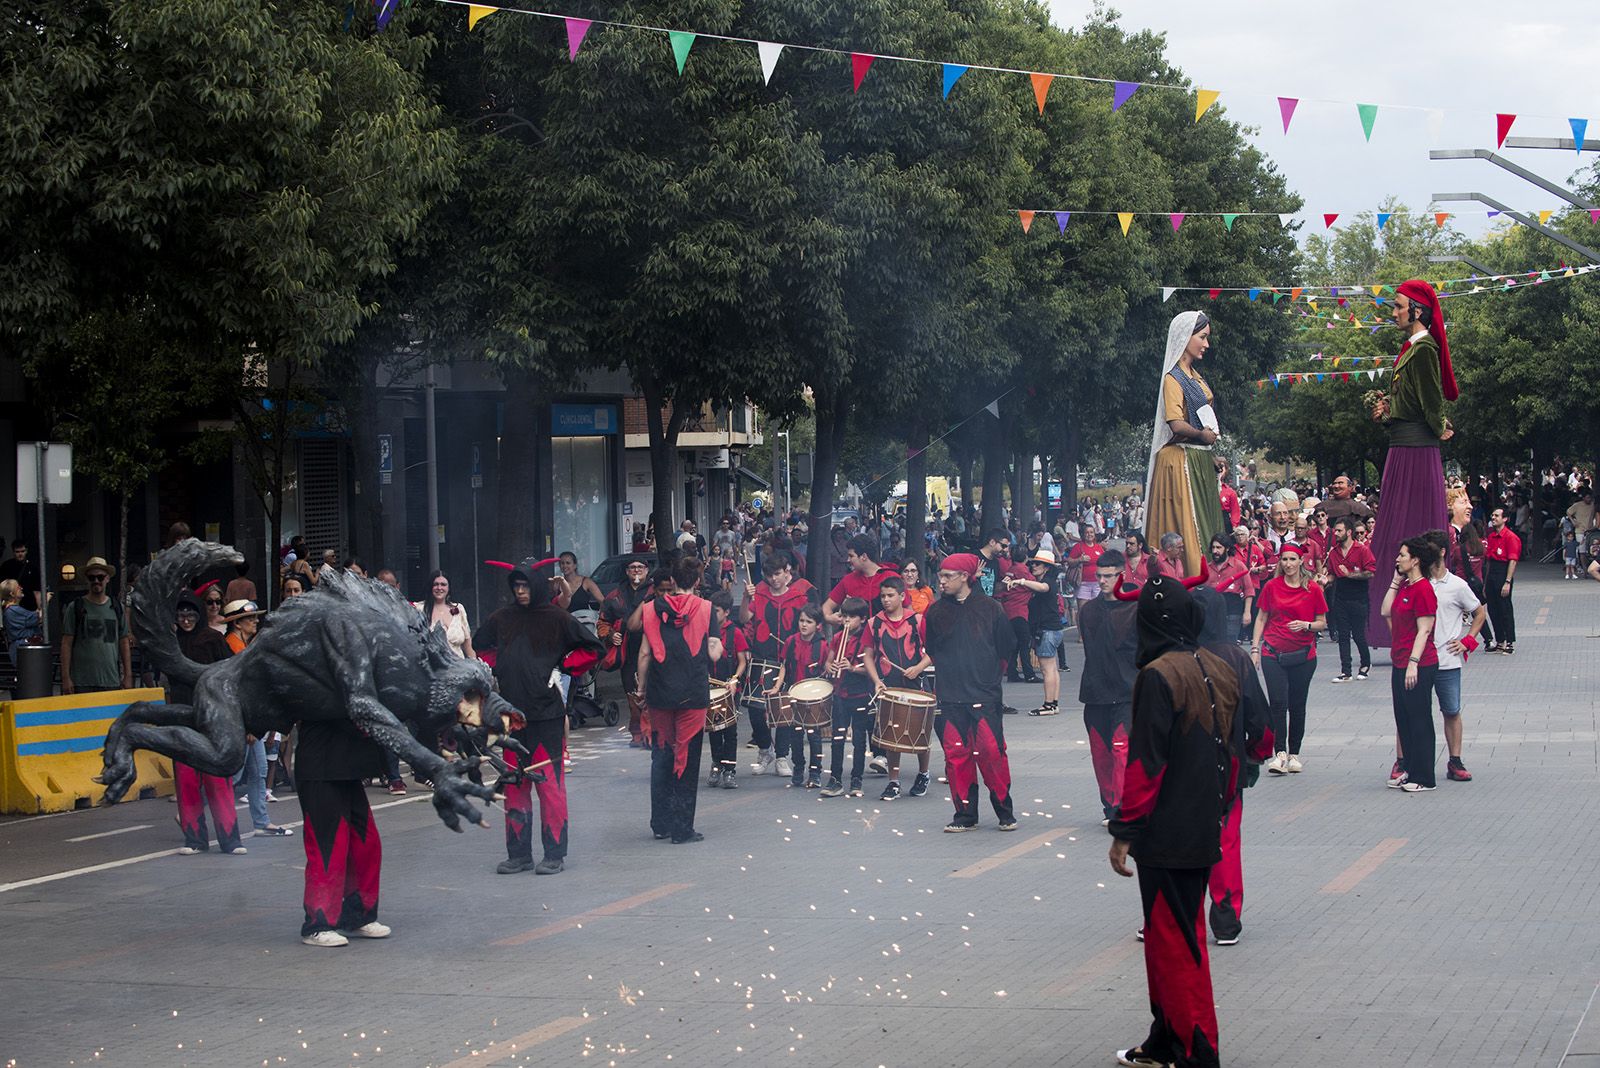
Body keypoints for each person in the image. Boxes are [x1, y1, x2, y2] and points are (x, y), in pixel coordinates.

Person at [1107, 568, 1241, 1068]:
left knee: (1177, 941)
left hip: (1168, 833)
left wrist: (1124, 830)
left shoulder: (1157, 676)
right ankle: (1164, 1039)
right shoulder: (1221, 664)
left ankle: (1195, 1051)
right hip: (1203, 824)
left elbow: (1145, 765)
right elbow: (1243, 748)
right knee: (1168, 938)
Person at [473, 559, 603, 875]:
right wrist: (499, 664)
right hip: (511, 717)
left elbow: (593, 649)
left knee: (549, 787)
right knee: (514, 784)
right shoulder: (501, 618)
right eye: (516, 586)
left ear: (536, 586)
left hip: (547, 716)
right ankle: (518, 855)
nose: (520, 591)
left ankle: (554, 854)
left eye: (525, 585)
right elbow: (479, 646)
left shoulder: (557, 618)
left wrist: (562, 668)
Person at [1367, 280, 1458, 644]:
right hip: (1404, 444)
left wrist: (1440, 428)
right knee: (1398, 527)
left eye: (1399, 306)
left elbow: (1431, 399)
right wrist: (1387, 414)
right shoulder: (1410, 348)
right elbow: (1412, 402)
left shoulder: (1422, 351)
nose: (1394, 312)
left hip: (1416, 449)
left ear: (1417, 311)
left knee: (1410, 527)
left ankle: (1420, 622)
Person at [1190, 584, 1272, 947]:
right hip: (1227, 766)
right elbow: (1258, 717)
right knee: (1225, 842)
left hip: (1181, 769)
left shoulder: (1171, 657)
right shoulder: (1235, 659)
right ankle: (1224, 920)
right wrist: (1258, 751)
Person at [922, 553, 1018, 833]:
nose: (941, 581)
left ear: (965, 576)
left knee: (991, 752)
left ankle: (1004, 810)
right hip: (951, 695)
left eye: (947, 576)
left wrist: (988, 678)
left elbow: (1005, 648)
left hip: (984, 693)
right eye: (940, 575)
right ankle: (964, 814)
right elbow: (932, 649)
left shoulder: (991, 608)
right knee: (955, 756)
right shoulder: (936, 611)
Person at [638, 556, 717, 844]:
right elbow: (714, 649)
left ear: (671, 581)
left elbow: (645, 653)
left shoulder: (650, 609)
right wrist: (718, 652)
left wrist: (642, 689)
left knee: (662, 755)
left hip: (660, 691)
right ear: (696, 581)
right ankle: (682, 828)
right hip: (693, 693)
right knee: (687, 757)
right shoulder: (707, 609)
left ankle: (660, 823)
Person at [1143, 311, 1227, 578]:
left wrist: (1209, 453)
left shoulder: (1195, 376)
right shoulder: (1173, 377)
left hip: (1198, 458)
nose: (1206, 344)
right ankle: (1191, 575)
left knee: (1207, 524)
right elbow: (1176, 424)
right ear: (1186, 337)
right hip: (1180, 460)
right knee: (1189, 525)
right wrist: (1202, 436)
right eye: (1202, 337)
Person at [168, 591, 246, 857]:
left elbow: (231, 674)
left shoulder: (213, 639)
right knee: (187, 781)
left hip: (214, 718)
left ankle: (230, 839)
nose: (186, 620)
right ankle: (194, 839)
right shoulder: (171, 642)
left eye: (191, 614)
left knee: (217, 780)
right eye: (181, 615)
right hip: (182, 715)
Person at [1251, 543, 1328, 775]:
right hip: (1273, 652)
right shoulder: (1272, 587)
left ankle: (1294, 753)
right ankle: (1280, 753)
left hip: (1303, 655)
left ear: (1300, 561)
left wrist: (1306, 625)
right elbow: (1261, 618)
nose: (1288, 564)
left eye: (1292, 559)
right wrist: (1255, 648)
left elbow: (1322, 622)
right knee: (1277, 703)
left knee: (1297, 704)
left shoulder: (1312, 589)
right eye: (1284, 560)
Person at [221, 600, 292, 839]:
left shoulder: (243, 646)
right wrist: (250, 725)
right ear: (237, 623)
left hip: (251, 722)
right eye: (250, 619)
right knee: (234, 774)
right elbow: (240, 690)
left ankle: (262, 821)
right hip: (242, 722)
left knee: (259, 770)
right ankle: (195, 812)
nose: (255, 622)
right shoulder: (232, 647)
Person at [742, 549, 816, 776]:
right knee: (755, 708)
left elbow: (811, 623)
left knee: (783, 710)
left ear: (787, 572)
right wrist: (746, 597)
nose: (773, 579)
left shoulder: (801, 595)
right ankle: (766, 749)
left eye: (777, 574)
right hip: (762, 657)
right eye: (769, 575)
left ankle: (782, 756)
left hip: (787, 658)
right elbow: (744, 618)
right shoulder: (759, 592)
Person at [1078, 550, 1138, 826]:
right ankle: (1110, 806)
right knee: (1101, 755)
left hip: (1129, 692)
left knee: (1122, 749)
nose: (1101, 581)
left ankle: (1123, 807)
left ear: (1120, 576)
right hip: (1096, 693)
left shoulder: (1137, 607)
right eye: (1098, 576)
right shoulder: (1088, 611)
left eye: (1107, 576)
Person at [1423, 529, 1484, 782]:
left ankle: (1455, 760)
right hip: (1420, 659)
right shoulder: (1418, 582)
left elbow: (1479, 612)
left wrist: (1467, 641)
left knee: (1451, 711)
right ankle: (1408, 762)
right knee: (1416, 712)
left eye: (1429, 549)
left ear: (1442, 552)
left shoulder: (1458, 585)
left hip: (1448, 660)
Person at [1380, 537, 1441, 792]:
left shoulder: (1424, 589)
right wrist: (1395, 581)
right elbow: (1385, 611)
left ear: (1415, 560)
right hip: (1399, 660)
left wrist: (1414, 663)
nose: (1397, 559)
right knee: (1403, 719)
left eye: (1402, 555)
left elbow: (1424, 629)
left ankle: (1425, 777)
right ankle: (1409, 769)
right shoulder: (1405, 585)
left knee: (1419, 719)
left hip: (1419, 663)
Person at [868, 575, 933, 800]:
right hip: (890, 686)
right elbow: (868, 655)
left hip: (915, 682)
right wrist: (876, 680)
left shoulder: (917, 620)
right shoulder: (874, 623)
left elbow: (933, 650)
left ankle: (924, 773)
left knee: (920, 731)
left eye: (890, 595)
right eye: (883, 596)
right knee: (891, 733)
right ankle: (893, 782)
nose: (886, 600)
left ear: (902, 596)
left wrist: (918, 667)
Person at [821, 596, 879, 798]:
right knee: (837, 737)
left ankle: (857, 778)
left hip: (860, 693)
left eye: (851, 617)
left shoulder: (867, 638)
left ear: (862, 619)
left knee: (859, 739)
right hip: (840, 693)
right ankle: (835, 779)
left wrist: (852, 668)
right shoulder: (837, 638)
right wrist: (831, 667)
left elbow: (872, 668)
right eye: (844, 616)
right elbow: (827, 663)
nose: (846, 621)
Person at [767, 603, 828, 788]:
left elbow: (826, 670)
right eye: (801, 620)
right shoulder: (791, 641)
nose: (803, 625)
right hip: (794, 693)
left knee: (814, 736)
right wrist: (777, 686)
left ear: (817, 625)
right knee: (795, 734)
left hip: (813, 696)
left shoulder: (823, 645)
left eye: (808, 622)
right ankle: (799, 767)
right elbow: (784, 666)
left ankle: (816, 771)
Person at [601, 559, 654, 746]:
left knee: (652, 690)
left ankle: (651, 733)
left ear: (647, 570)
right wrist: (610, 634)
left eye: (640, 567)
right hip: (627, 650)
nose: (636, 570)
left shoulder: (655, 591)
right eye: (632, 567)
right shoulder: (614, 595)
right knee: (632, 691)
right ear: (626, 571)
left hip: (653, 647)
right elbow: (603, 621)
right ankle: (637, 734)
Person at [61, 557, 132, 695]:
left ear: (107, 579)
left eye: (100, 577)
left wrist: (128, 676)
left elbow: (124, 642)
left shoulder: (117, 607)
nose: (96, 581)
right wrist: (66, 678)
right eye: (92, 577)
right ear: (86, 580)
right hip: (81, 682)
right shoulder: (75, 607)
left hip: (111, 681)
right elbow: (66, 643)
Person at [1321, 516, 1377, 683]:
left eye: (1339, 530)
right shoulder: (1334, 552)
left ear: (1349, 532)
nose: (1336, 533)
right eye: (1335, 530)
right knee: (1343, 635)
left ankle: (1365, 664)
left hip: (1358, 596)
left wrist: (1350, 574)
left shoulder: (1362, 550)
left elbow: (1371, 572)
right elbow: (1331, 574)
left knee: (1359, 634)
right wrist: (1326, 580)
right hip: (1340, 595)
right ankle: (1346, 671)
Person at [1012, 548, 1065, 716]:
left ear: (1047, 567)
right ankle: (1053, 703)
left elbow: (1042, 588)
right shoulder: (1045, 581)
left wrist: (1021, 581)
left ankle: (1049, 704)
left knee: (1047, 669)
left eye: (1038, 564)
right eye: (1032, 563)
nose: (1033, 566)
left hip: (1047, 630)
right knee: (1052, 668)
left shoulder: (1048, 581)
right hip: (1052, 630)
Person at [706, 590, 748, 789]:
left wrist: (734, 680)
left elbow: (742, 661)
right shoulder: (704, 632)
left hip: (730, 688)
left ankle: (730, 770)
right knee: (713, 729)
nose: (712, 615)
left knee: (730, 731)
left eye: (716, 611)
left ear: (727, 612)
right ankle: (716, 765)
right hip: (710, 687)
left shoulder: (735, 632)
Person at [1483, 506, 1520, 654]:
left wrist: (1507, 582)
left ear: (1505, 519)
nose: (1493, 518)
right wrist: (1486, 584)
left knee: (1505, 608)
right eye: (1492, 515)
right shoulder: (1491, 536)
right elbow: (1489, 562)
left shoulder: (1510, 537)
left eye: (1497, 516)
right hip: (1492, 572)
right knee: (1493, 609)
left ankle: (1509, 641)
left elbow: (1512, 561)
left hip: (1504, 571)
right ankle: (1500, 640)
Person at [1203, 533, 1249, 643]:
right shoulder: (1207, 568)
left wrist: (1247, 613)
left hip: (1232, 608)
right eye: (1213, 547)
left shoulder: (1239, 565)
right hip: (1213, 611)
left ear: (1227, 548)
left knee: (1229, 644)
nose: (1215, 551)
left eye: (1219, 547)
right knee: (1214, 644)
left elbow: (1249, 589)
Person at [420, 571, 475, 660]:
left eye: (443, 584)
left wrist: (475, 667)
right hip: (432, 669)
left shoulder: (459, 609)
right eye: (435, 584)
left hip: (460, 668)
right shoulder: (420, 609)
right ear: (430, 587)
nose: (439, 588)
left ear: (449, 588)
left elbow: (468, 646)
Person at [2, 578, 42, 666]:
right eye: (18, 587)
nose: (21, 588)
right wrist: (45, 602)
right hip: (24, 649)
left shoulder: (13, 610)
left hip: (24, 648)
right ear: (12, 594)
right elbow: (38, 617)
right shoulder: (13, 610)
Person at [0, 539, 41, 611]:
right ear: (13, 552)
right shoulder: (6, 566)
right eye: (17, 552)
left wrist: (39, 609)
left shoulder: (33, 568)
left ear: (26, 551)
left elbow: (36, 590)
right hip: (12, 605)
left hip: (29, 604)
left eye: (22, 551)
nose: (20, 554)